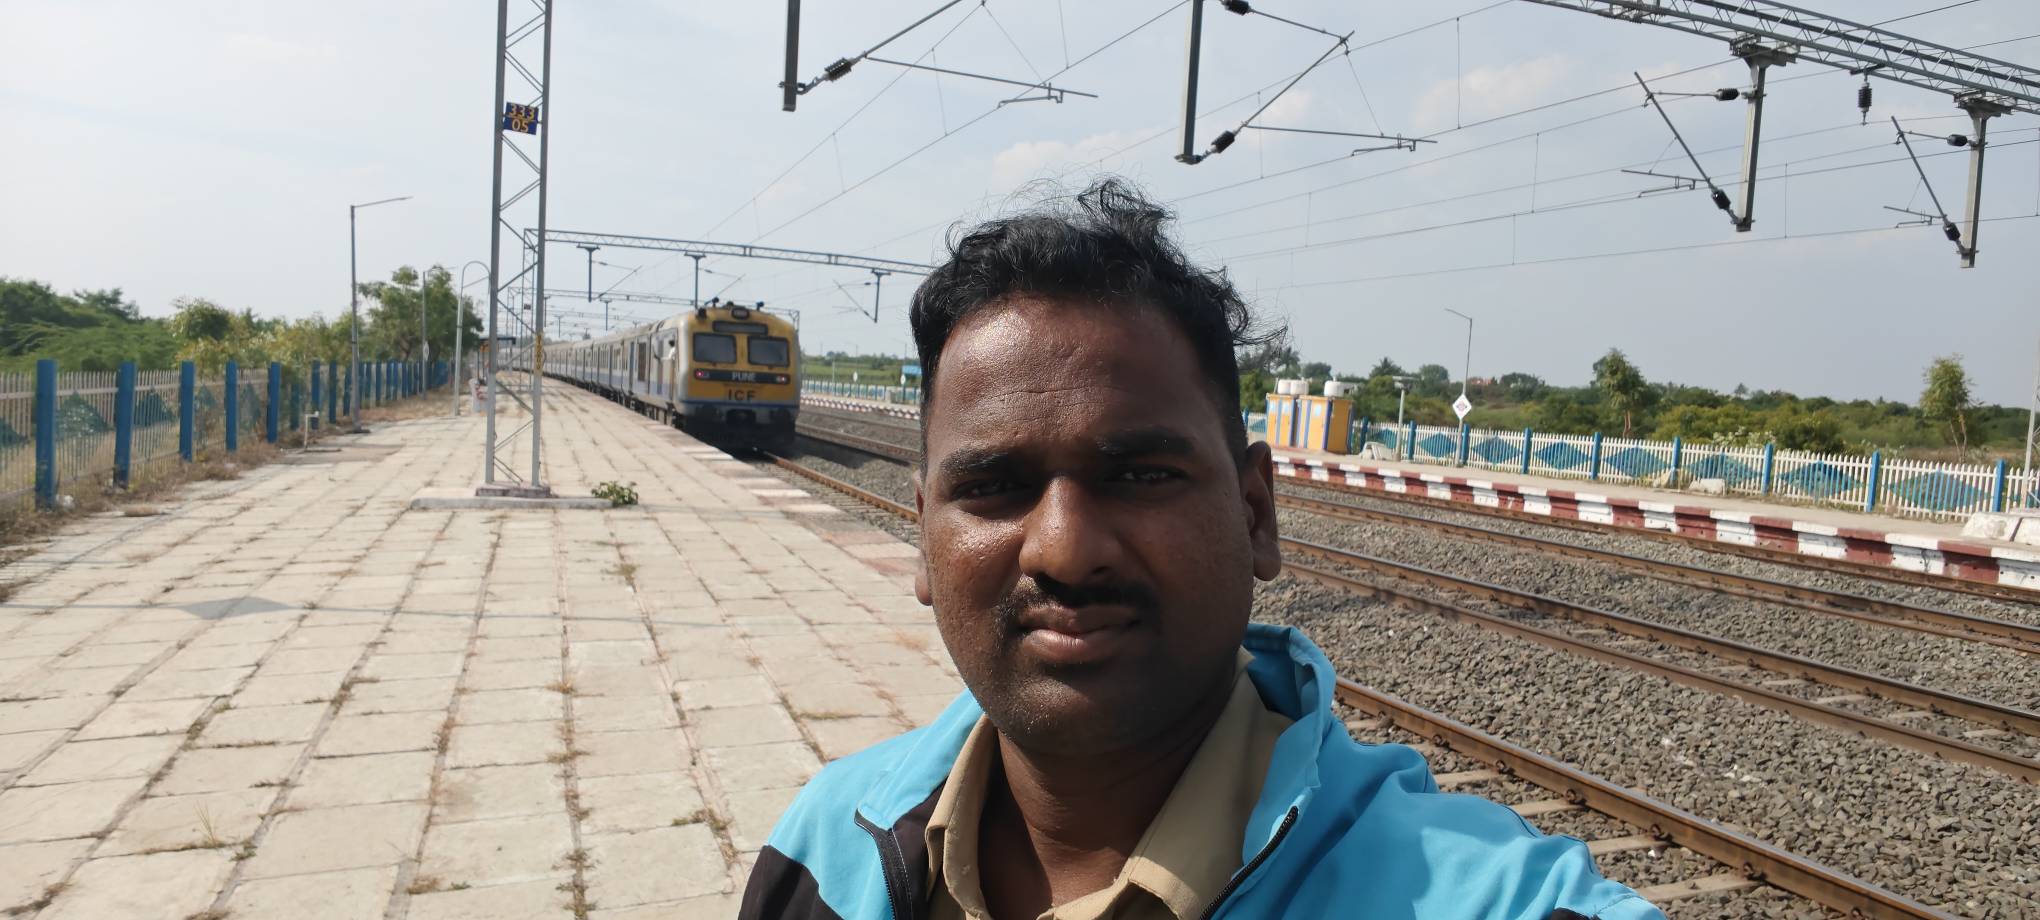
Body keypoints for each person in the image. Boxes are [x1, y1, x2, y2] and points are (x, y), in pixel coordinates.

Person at [740, 179, 1662, 920]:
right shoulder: (824, 848)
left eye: (1141, 474)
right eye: (992, 487)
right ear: (923, 540)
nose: (1064, 550)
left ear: (1256, 512)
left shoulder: (1491, 899)